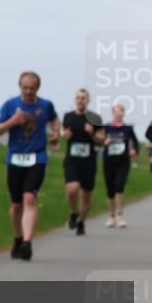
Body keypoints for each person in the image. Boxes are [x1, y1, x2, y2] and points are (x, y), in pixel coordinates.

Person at [0, 72, 59, 261]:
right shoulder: (10, 105)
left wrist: (55, 133)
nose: (28, 91)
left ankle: (27, 243)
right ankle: (18, 238)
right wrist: (13, 121)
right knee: (16, 205)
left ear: (38, 88)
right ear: (20, 86)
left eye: (32, 88)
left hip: (37, 157)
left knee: (29, 198)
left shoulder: (45, 105)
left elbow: (54, 118)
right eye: (25, 88)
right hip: (15, 158)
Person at [60, 89, 104, 236]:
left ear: (88, 100)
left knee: (86, 195)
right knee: (72, 189)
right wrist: (63, 135)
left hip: (89, 162)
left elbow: (101, 141)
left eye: (83, 98)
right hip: (72, 160)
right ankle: (74, 212)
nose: (80, 100)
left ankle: (81, 222)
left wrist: (92, 133)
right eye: (78, 98)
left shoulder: (95, 118)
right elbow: (62, 131)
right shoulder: (68, 117)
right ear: (75, 100)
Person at [101, 104, 139, 228]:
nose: (119, 113)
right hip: (108, 161)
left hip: (123, 162)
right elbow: (99, 140)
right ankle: (111, 216)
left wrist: (134, 150)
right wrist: (104, 142)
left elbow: (135, 142)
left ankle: (120, 215)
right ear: (113, 113)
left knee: (119, 185)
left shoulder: (127, 128)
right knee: (110, 190)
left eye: (121, 111)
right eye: (117, 111)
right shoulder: (106, 127)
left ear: (123, 113)